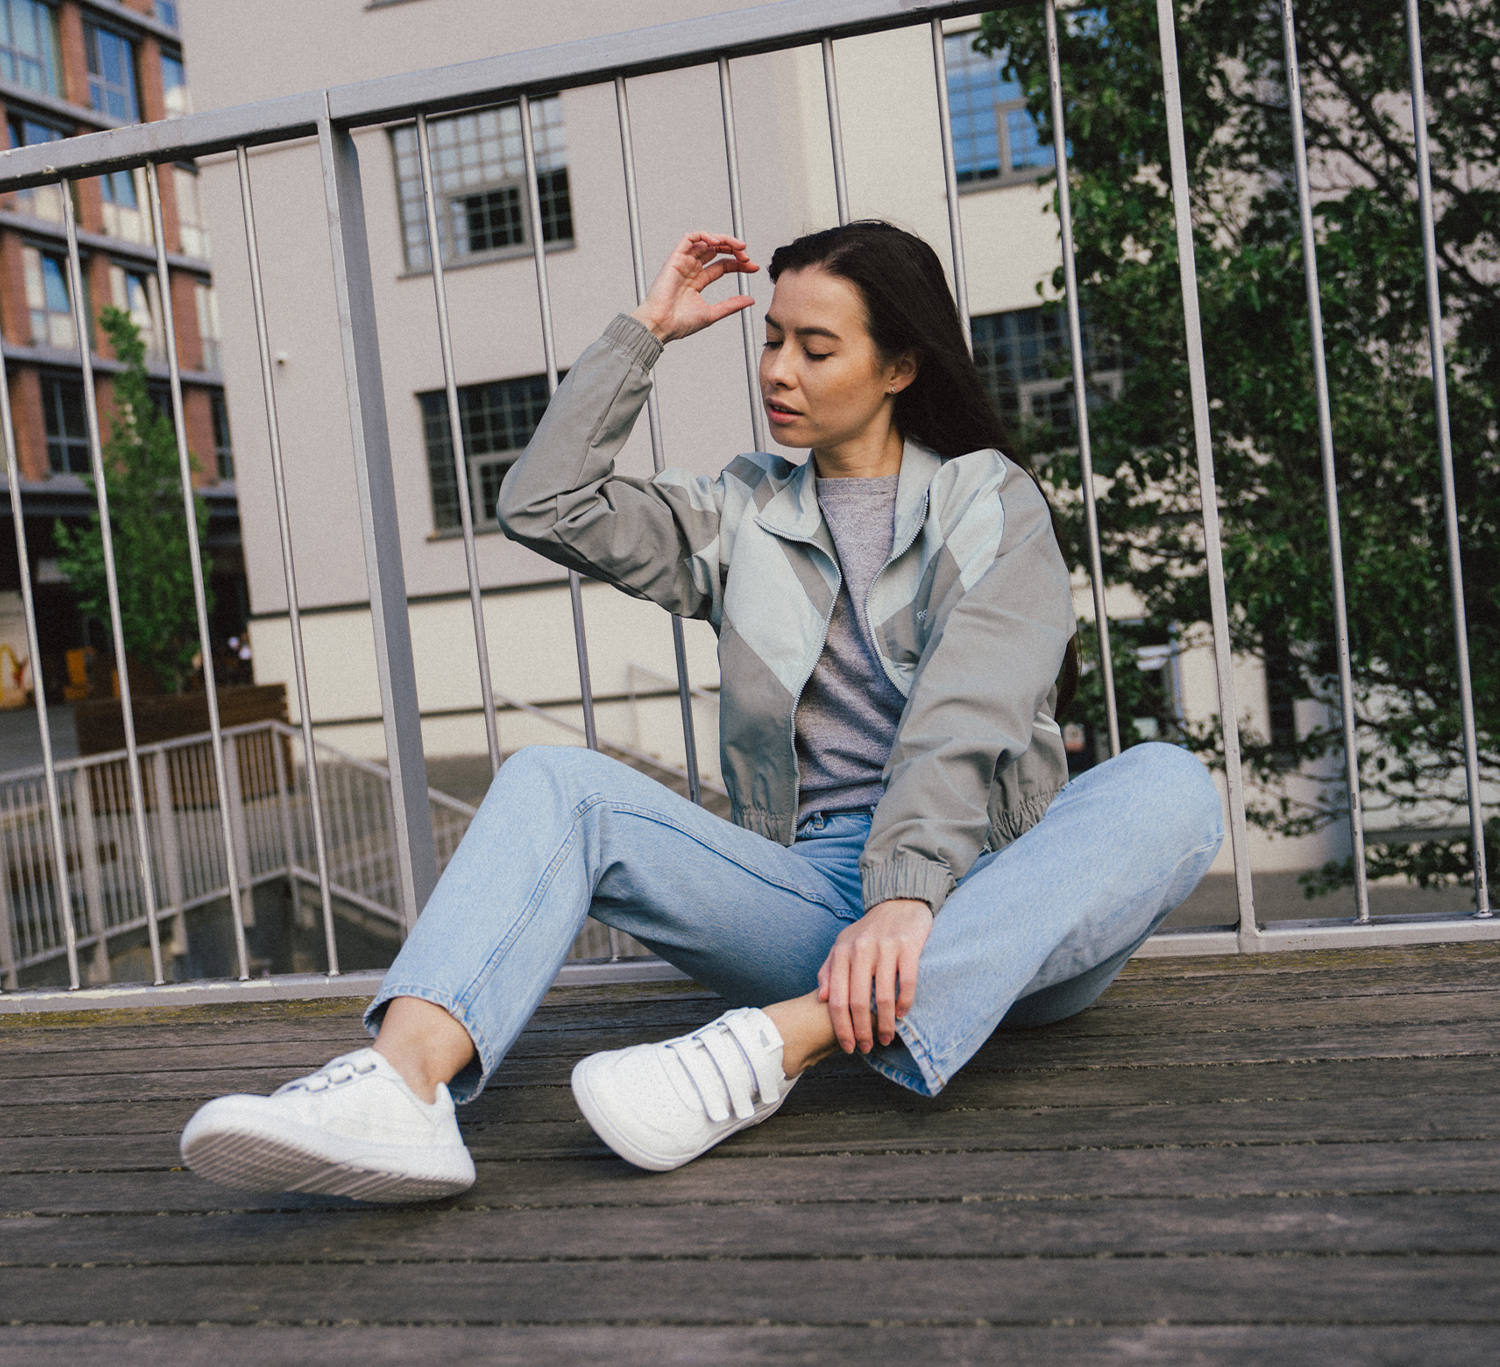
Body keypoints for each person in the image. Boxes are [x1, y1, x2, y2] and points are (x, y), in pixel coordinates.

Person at [180, 222, 1223, 1202]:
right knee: (556, 782)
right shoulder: (740, 514)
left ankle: (776, 1046)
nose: (777, 370)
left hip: (1001, 894)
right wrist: (645, 335)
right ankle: (400, 1088)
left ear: (900, 368)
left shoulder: (988, 501)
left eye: (816, 348)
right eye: (772, 341)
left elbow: (968, 711)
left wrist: (909, 897)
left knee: (1169, 784)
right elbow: (545, 506)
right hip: (818, 899)